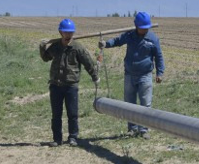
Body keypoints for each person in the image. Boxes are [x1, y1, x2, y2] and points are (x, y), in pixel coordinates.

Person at [99, 11, 164, 139]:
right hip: (129, 75)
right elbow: (117, 41)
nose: (144, 30)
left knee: (145, 103)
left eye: (146, 28)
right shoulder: (129, 36)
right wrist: (106, 44)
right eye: (142, 28)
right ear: (136, 26)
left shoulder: (153, 39)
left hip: (145, 75)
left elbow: (159, 56)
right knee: (129, 103)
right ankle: (132, 128)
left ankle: (144, 129)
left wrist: (160, 72)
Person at [38, 18, 99, 147]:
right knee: (56, 114)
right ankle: (57, 139)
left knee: (72, 113)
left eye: (70, 32)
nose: (68, 35)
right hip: (55, 85)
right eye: (65, 32)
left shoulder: (77, 48)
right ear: (60, 32)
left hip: (71, 85)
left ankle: (72, 137)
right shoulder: (55, 47)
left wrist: (95, 77)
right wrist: (42, 47)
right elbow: (45, 58)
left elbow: (88, 63)